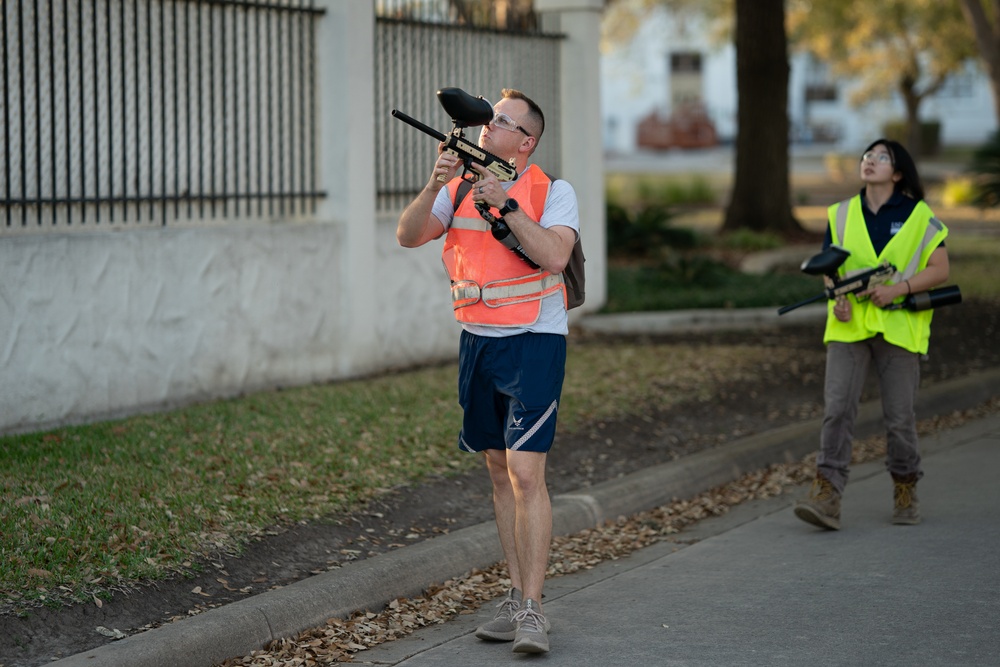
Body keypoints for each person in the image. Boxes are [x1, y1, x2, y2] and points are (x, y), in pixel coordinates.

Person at [396, 88, 579, 653]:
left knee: (527, 474)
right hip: (477, 339)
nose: (488, 126)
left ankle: (533, 610)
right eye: (489, 118)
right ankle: (514, 594)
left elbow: (554, 257)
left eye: (502, 121)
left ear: (526, 140)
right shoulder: (456, 187)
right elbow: (407, 235)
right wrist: (435, 182)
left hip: (534, 341)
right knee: (499, 473)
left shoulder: (555, 191)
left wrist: (509, 205)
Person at [794, 139, 949, 531]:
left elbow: (940, 269)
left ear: (897, 173)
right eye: (867, 156)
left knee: (899, 419)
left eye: (882, 157)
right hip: (849, 327)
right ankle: (827, 495)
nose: (870, 161)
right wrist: (838, 300)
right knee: (838, 410)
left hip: (899, 327)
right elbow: (831, 269)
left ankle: (905, 486)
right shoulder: (841, 213)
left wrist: (898, 289)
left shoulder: (918, 215)